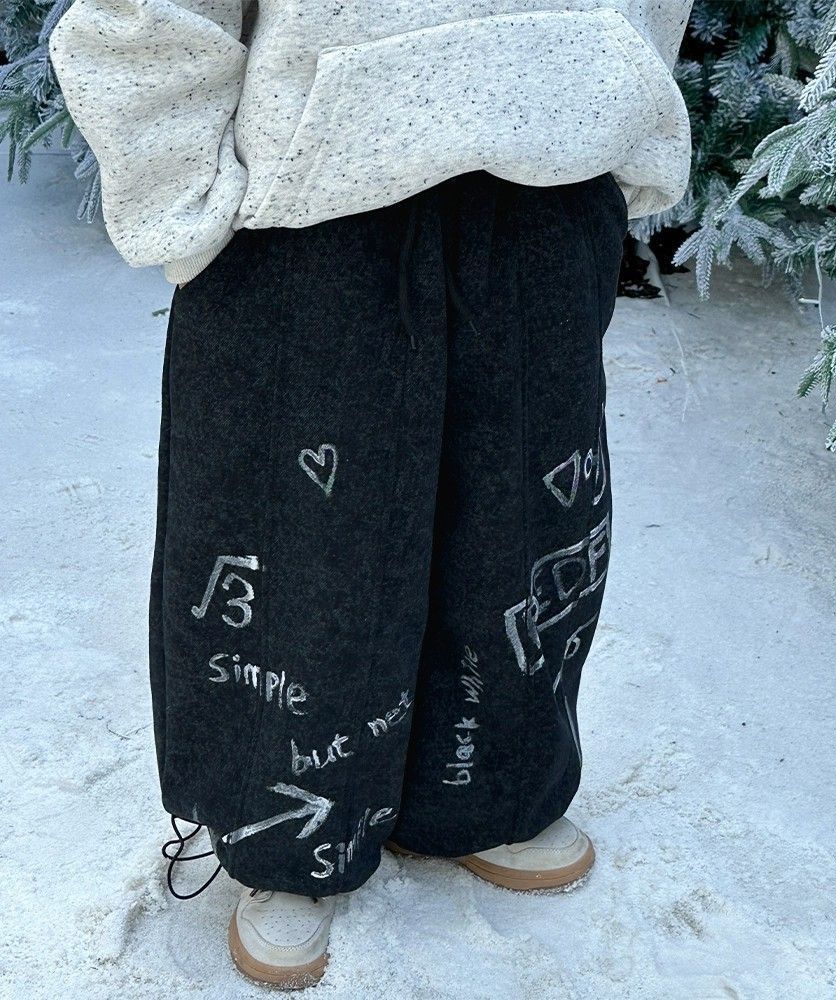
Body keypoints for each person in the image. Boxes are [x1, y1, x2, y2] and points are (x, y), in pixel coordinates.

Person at [48, 0, 693, 988]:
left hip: (555, 162)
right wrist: (181, 193)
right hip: (316, 194)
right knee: (303, 544)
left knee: (526, 522)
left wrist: (626, 98)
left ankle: (484, 792)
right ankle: (287, 834)